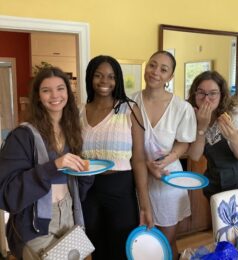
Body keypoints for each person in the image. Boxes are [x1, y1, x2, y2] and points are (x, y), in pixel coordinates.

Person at [0, 67, 92, 259]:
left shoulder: (72, 132)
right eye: (46, 90)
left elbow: (77, 187)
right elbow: (6, 194)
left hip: (68, 214)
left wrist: (86, 172)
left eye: (60, 88)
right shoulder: (22, 136)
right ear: (37, 96)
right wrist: (53, 166)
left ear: (68, 92)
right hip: (35, 223)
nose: (55, 95)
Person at [80, 55, 153, 260]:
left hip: (120, 187)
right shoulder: (78, 111)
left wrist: (145, 205)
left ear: (117, 80)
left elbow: (138, 159)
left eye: (111, 77)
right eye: (98, 76)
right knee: (95, 245)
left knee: (122, 245)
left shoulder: (129, 109)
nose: (104, 82)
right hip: (87, 188)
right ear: (90, 78)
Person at [132, 50, 197, 259]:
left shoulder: (181, 108)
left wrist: (162, 162)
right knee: (144, 240)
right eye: (152, 65)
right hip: (137, 179)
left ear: (170, 77)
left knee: (166, 240)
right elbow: (128, 146)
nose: (155, 72)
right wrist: (145, 165)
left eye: (163, 69)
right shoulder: (130, 103)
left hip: (168, 181)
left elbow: (185, 142)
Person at [187, 70, 238, 200]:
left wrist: (232, 137)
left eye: (213, 93)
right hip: (218, 183)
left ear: (222, 95)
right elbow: (194, 156)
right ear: (194, 93)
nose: (206, 98)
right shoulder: (191, 116)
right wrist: (202, 127)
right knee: (220, 220)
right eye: (201, 92)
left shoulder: (234, 113)